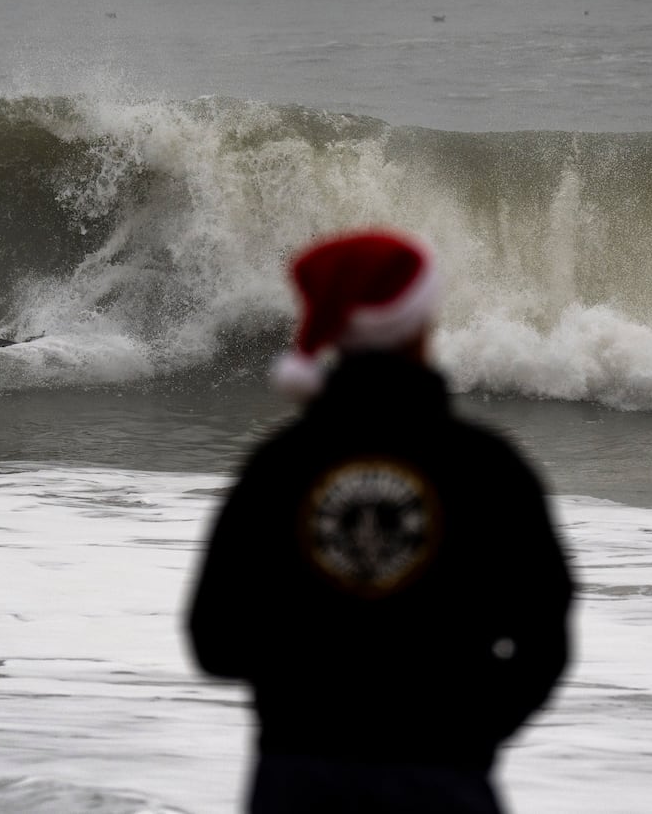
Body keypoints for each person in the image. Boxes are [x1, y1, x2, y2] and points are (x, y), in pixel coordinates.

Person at [186, 229, 573, 814]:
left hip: (298, 777)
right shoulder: (487, 466)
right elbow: (545, 638)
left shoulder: (278, 467)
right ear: (421, 323)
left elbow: (214, 640)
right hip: (444, 774)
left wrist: (308, 686)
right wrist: (471, 731)